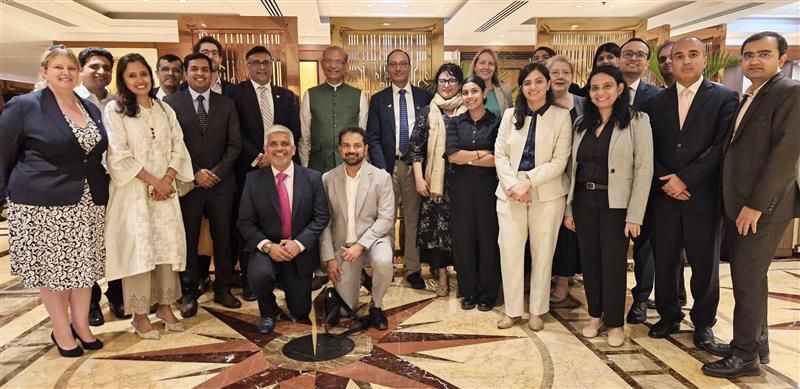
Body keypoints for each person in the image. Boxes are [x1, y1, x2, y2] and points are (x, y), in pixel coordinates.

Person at [703, 31, 800, 379]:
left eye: (763, 54)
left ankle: (745, 356)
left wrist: (756, 205)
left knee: (746, 278)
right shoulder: (753, 95)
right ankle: (756, 344)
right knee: (751, 278)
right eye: (748, 55)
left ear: (781, 59)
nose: (754, 61)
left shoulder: (789, 93)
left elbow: (784, 156)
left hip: (761, 208)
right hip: (740, 202)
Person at [0, 46, 107, 357]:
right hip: (42, 204)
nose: (66, 73)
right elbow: (3, 154)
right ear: (44, 71)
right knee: (56, 273)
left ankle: (82, 325)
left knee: (84, 269)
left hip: (87, 201)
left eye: (71, 68)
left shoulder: (89, 108)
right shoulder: (24, 106)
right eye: (58, 67)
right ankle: (62, 332)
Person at [644, 37, 738, 350]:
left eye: (692, 55)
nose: (684, 61)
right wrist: (665, 179)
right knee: (666, 260)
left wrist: (685, 179)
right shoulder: (656, 101)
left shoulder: (724, 98)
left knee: (704, 265)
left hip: (702, 197)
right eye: (678, 56)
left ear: (704, 59)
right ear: (669, 62)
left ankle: (703, 324)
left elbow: (721, 146)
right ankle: (669, 315)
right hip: (663, 197)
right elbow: (648, 147)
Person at [103, 53, 194, 339]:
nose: (139, 80)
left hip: (164, 194)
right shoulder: (114, 111)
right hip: (134, 193)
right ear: (123, 79)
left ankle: (165, 307)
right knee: (139, 253)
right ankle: (140, 315)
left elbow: (178, 145)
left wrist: (167, 179)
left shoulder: (164, 109)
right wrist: (153, 180)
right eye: (132, 75)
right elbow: (117, 153)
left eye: (143, 74)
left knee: (166, 249)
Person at [563, 65, 653, 347]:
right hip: (584, 201)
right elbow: (571, 169)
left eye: (606, 87)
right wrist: (569, 209)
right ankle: (594, 315)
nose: (600, 93)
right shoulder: (581, 123)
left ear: (619, 89)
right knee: (590, 263)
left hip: (617, 205)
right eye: (594, 88)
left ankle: (615, 322)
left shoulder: (637, 121)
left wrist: (635, 214)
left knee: (613, 264)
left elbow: (644, 169)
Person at [164, 52, 243, 317]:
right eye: (194, 69)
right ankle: (189, 292)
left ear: (213, 73)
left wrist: (216, 172)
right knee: (188, 239)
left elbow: (235, 145)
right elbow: (170, 146)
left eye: (205, 70)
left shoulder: (227, 103)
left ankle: (223, 288)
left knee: (224, 239)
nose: (200, 74)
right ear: (185, 73)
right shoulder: (170, 104)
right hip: (188, 184)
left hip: (222, 184)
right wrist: (195, 173)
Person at [495, 63, 572, 330]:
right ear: (522, 87)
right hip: (510, 195)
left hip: (547, 196)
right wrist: (515, 185)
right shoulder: (509, 116)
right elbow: (500, 155)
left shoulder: (562, 117)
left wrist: (528, 182)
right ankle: (513, 310)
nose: (533, 87)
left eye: (539, 81)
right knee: (510, 251)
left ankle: (537, 310)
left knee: (543, 253)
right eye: (527, 83)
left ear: (548, 84)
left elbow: (560, 161)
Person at [238, 125, 330, 334]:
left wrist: (298, 244)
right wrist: (268, 247)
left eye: (284, 144)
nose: (279, 149)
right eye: (273, 144)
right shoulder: (253, 180)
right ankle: (268, 310)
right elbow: (245, 221)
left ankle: (291, 288)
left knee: (300, 310)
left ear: (294, 149)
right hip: (267, 249)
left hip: (299, 250)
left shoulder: (313, 178)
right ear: (266, 149)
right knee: (259, 275)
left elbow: (321, 217)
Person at [229, 45, 300, 299]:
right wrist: (259, 157)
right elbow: (234, 130)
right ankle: (251, 279)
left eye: (266, 62)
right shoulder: (236, 94)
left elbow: (294, 131)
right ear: (247, 67)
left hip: (282, 165)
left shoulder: (286, 95)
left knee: (283, 216)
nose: (261, 67)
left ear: (272, 66)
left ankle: (283, 272)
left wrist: (279, 155)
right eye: (256, 62)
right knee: (250, 221)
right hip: (251, 167)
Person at [366, 49, 433, 289]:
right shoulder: (378, 99)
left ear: (410, 66)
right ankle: (386, 267)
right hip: (387, 166)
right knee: (386, 218)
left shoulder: (425, 97)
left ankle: (413, 269)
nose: (398, 68)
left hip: (415, 167)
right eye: (393, 64)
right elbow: (372, 137)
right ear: (387, 69)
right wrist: (381, 169)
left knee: (413, 218)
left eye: (403, 64)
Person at [320, 127, 394, 330]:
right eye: (346, 146)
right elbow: (323, 221)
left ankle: (376, 305)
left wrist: (361, 245)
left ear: (366, 148)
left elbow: (386, 219)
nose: (351, 150)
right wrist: (329, 257)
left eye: (356, 146)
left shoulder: (381, 177)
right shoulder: (328, 179)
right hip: (343, 247)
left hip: (373, 241)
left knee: (384, 261)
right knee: (346, 309)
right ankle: (356, 281)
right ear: (339, 149)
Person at [407, 63, 466, 297]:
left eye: (452, 81)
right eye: (442, 81)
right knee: (438, 236)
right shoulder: (427, 111)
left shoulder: (468, 109)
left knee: (462, 233)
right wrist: (419, 178)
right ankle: (442, 277)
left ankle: (463, 276)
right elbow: (415, 148)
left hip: (463, 183)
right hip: (435, 185)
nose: (447, 85)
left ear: (460, 84)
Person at [75, 47, 123, 325]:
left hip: (118, 181)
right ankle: (91, 301)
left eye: (106, 67)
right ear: (82, 69)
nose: (101, 72)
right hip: (87, 183)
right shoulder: (72, 100)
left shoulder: (117, 103)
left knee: (115, 239)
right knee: (89, 242)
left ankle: (116, 293)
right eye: (94, 66)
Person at [446, 75, 501, 311]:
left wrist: (467, 157)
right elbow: (453, 156)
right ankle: (468, 291)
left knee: (488, 241)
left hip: (488, 190)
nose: (470, 97)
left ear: (484, 93)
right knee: (464, 240)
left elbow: (498, 160)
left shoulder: (497, 122)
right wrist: (481, 153)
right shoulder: (455, 123)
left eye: (474, 92)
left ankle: (488, 293)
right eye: (466, 92)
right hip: (461, 190)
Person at [619, 37, 660, 324]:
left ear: (647, 62)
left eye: (640, 55)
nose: (633, 59)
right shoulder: (608, 89)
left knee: (644, 245)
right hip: (611, 184)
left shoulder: (657, 97)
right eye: (628, 54)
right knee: (613, 246)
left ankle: (641, 299)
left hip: (646, 182)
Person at [545, 55, 584, 302]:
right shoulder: (539, 102)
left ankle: (562, 280)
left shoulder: (584, 104)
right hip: (546, 176)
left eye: (565, 72)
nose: (560, 77)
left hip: (576, 175)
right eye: (554, 72)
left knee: (567, 232)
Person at [300, 46, 368, 173]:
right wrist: (305, 169)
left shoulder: (358, 95)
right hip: (317, 164)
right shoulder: (310, 94)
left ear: (345, 66)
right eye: (328, 61)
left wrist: (363, 166)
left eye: (338, 62)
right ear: (321, 64)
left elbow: (363, 134)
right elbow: (305, 136)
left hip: (350, 165)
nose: (333, 66)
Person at [470, 48, 513, 116]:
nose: (486, 67)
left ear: (495, 68)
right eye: (482, 63)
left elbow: (510, 119)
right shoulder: (465, 91)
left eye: (491, 64)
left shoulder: (505, 91)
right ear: (475, 67)